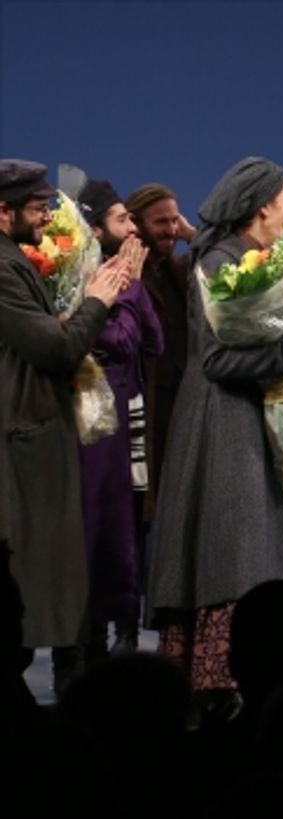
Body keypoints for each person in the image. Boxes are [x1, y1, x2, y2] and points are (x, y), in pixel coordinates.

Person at [146, 157, 283, 710]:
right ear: (260, 205)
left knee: (249, 547)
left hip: (246, 420)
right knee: (233, 550)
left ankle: (238, 680)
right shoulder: (220, 262)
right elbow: (218, 359)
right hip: (223, 424)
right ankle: (219, 683)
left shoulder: (250, 259)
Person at [0, 159, 127, 690]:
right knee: (27, 576)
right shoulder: (2, 268)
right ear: (3, 212)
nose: (44, 218)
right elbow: (55, 349)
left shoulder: (13, 260)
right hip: (22, 438)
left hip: (36, 431)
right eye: (34, 208)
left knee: (41, 576)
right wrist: (96, 299)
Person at [73, 179, 164, 658]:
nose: (132, 229)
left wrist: (132, 288)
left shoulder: (125, 280)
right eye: (121, 220)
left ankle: (123, 636)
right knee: (94, 528)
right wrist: (124, 291)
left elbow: (154, 343)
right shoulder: (84, 279)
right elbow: (120, 341)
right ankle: (83, 649)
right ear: (95, 229)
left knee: (125, 528)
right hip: (89, 427)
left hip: (125, 422)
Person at [124, 183, 196, 525]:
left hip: (183, 400)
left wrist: (191, 233)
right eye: (160, 223)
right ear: (135, 225)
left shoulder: (177, 270)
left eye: (173, 221)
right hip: (148, 403)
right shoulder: (124, 274)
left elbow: (223, 258)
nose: (169, 230)